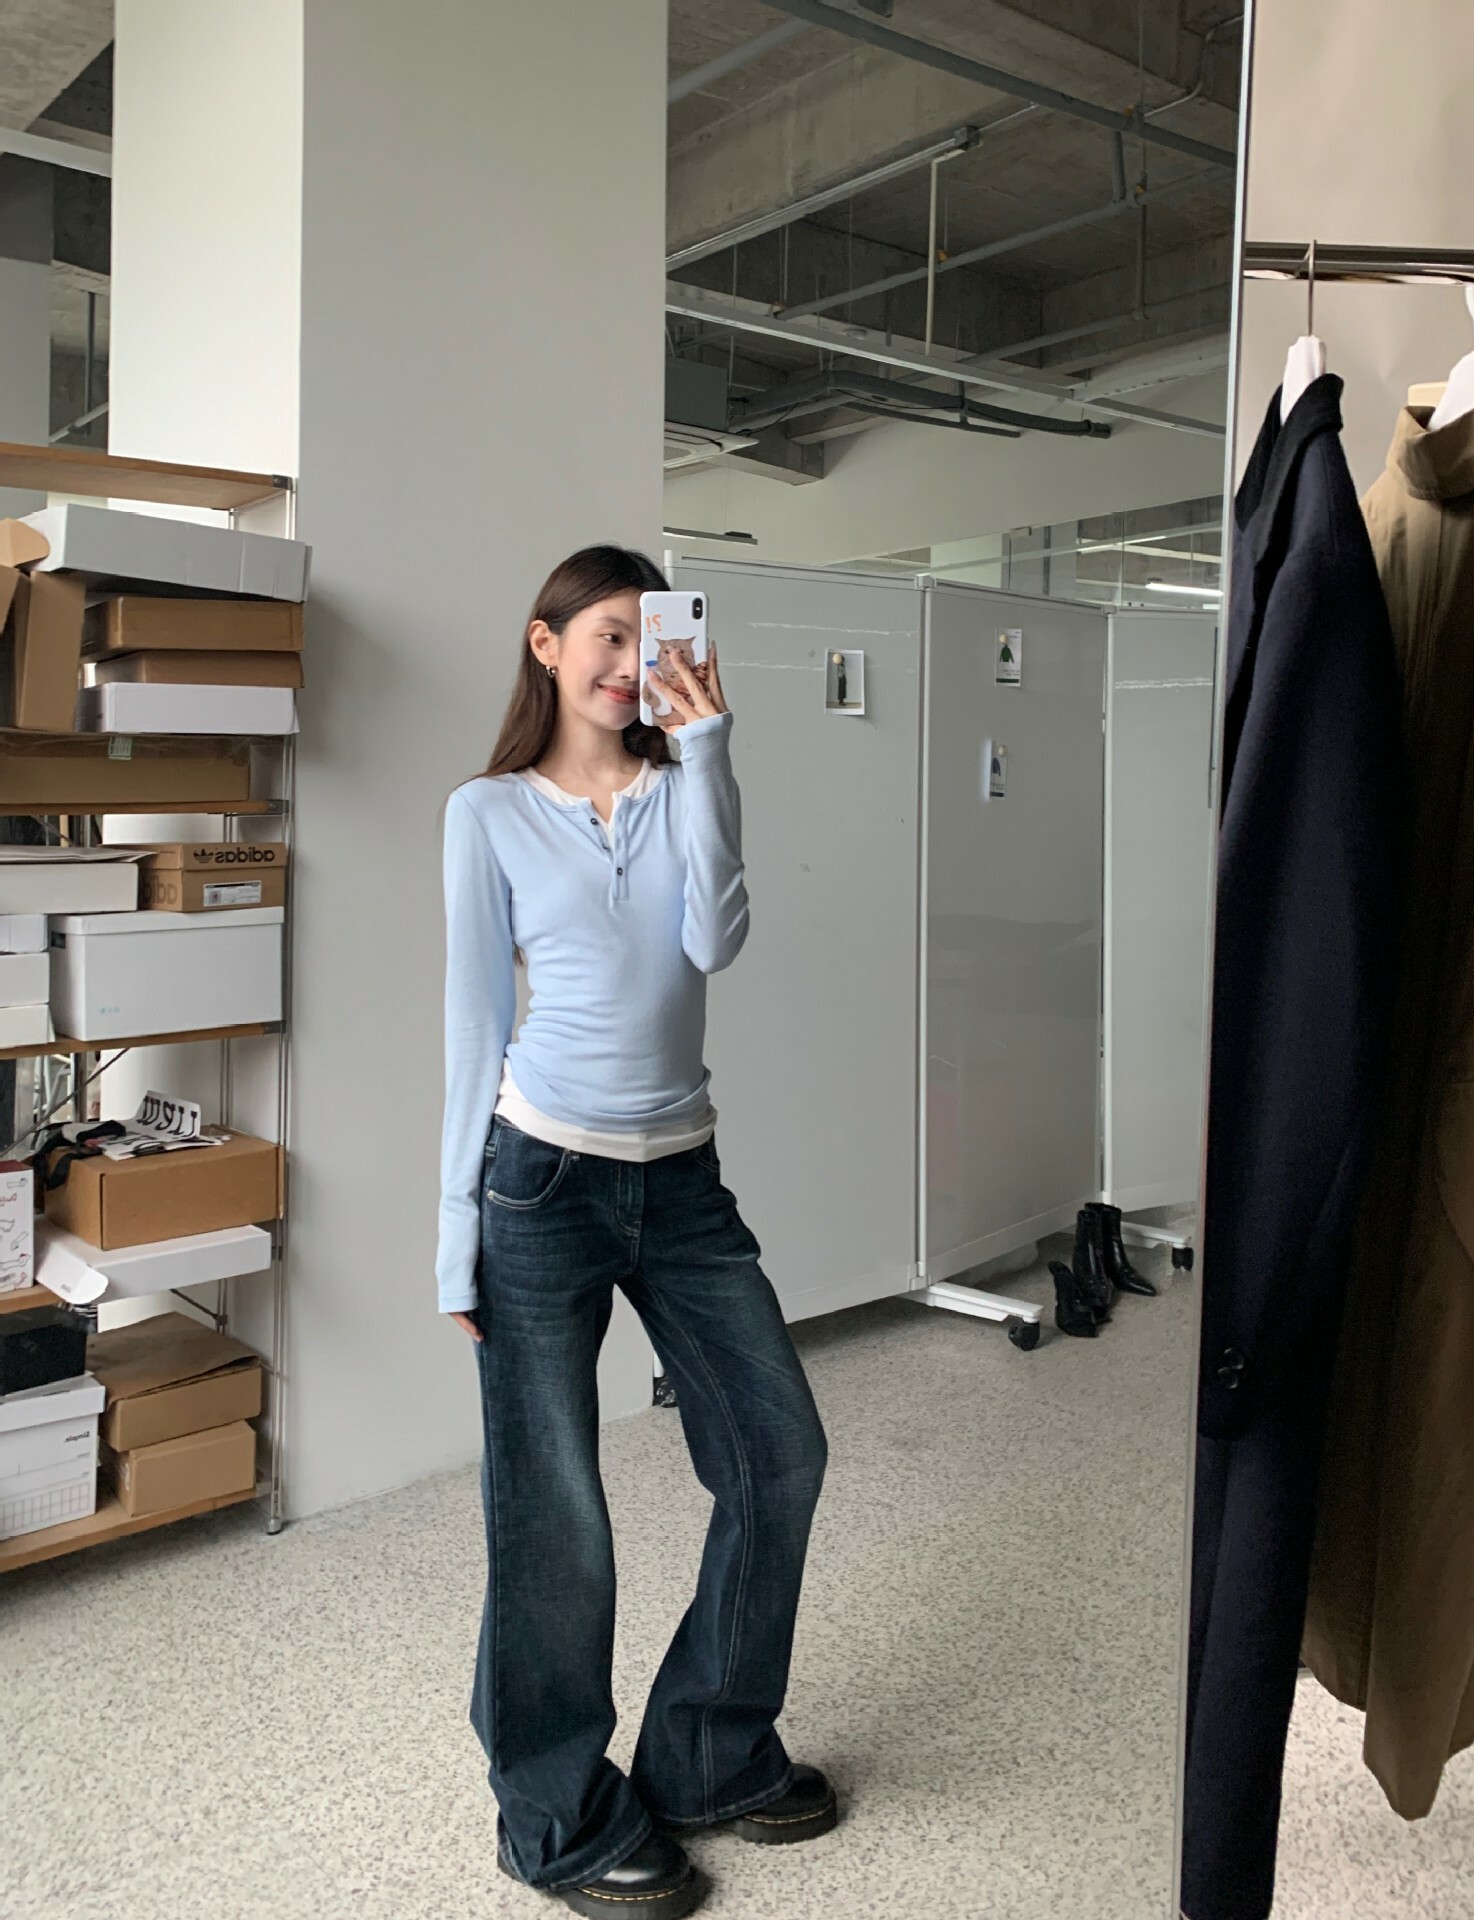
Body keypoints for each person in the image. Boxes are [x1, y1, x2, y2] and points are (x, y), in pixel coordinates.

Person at [438, 545, 833, 1920]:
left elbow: (715, 940)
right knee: (554, 1513)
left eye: (645, 637)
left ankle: (708, 1754)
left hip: (682, 1185)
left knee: (779, 1455)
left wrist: (709, 749)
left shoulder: (682, 787)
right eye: (602, 637)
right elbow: (474, 1024)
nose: (625, 663)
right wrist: (451, 1233)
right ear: (544, 644)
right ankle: (553, 1814)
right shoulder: (486, 813)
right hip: (537, 1184)